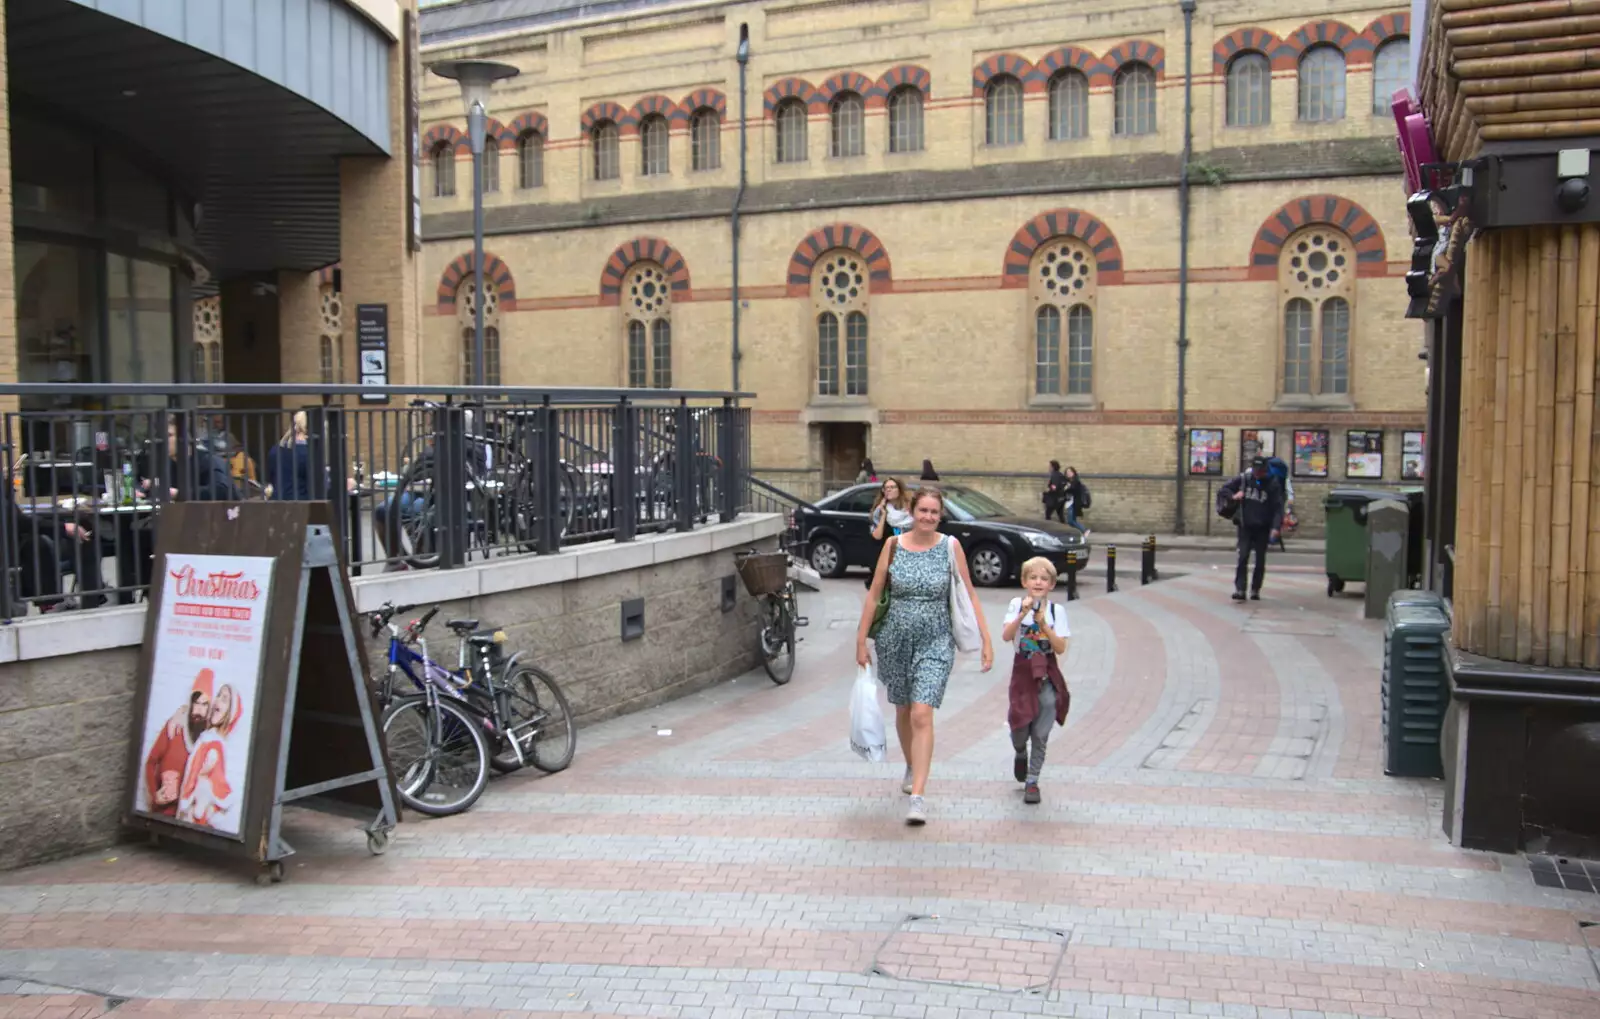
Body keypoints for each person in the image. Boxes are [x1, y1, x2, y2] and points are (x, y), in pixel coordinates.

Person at [856, 486, 993, 826]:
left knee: (921, 713)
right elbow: (874, 594)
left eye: (934, 512)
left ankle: (917, 797)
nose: (929, 517)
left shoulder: (950, 546)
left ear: (939, 515)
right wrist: (861, 642)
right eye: (923, 511)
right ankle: (911, 763)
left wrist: (987, 640)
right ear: (912, 512)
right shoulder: (892, 546)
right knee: (903, 709)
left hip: (937, 640)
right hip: (894, 640)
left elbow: (969, 594)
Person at [1002, 557, 1070, 805]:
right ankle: (1020, 752)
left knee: (1041, 732)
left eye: (1044, 579)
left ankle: (1033, 781)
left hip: (1047, 674)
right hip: (1022, 674)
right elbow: (1006, 635)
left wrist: (1044, 625)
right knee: (1019, 726)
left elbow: (1060, 647)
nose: (1038, 582)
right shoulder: (1016, 604)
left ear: (1051, 584)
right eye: (1033, 578)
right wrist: (1022, 615)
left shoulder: (1056, 611)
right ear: (1024, 581)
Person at [142, 668, 213, 818]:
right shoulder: (175, 728)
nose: (199, 710)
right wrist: (155, 796)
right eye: (196, 703)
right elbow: (150, 763)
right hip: (165, 815)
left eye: (204, 705)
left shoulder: (210, 740)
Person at [1217, 456, 1285, 602]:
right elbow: (1224, 489)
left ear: (1265, 470)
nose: (1257, 474)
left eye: (1260, 471)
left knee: (1260, 560)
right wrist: (1234, 495)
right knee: (1243, 557)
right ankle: (1240, 589)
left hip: (1263, 527)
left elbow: (1278, 508)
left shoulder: (1273, 484)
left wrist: (1275, 527)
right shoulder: (1244, 479)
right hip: (1245, 525)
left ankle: (1255, 589)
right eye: (1255, 470)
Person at [866, 477, 913, 589]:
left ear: (899, 489)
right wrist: (883, 516)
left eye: (892, 487)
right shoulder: (880, 511)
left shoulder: (909, 511)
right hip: (885, 559)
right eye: (886, 488)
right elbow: (877, 536)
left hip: (905, 558)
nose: (889, 490)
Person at [266, 411, 313, 501]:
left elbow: (271, 477)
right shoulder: (307, 453)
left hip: (277, 502)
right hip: (301, 504)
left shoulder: (274, 451)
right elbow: (313, 483)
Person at [1064, 466, 1091, 537]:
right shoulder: (1069, 481)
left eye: (1070, 472)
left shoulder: (1076, 481)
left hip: (1073, 504)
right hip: (1069, 503)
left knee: (1071, 521)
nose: (1068, 474)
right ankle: (1075, 534)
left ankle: (1085, 530)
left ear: (1073, 472)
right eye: (1067, 472)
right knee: (1072, 520)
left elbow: (1073, 490)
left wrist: (1067, 488)